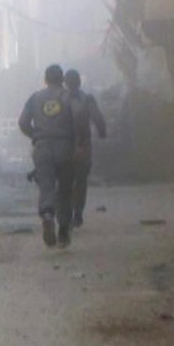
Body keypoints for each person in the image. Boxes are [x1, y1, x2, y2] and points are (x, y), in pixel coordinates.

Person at [19, 63, 81, 247]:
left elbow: (23, 122)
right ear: (62, 80)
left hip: (42, 147)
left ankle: (47, 215)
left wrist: (36, 136)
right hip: (65, 146)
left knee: (46, 184)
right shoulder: (69, 96)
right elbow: (79, 120)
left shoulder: (35, 98)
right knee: (65, 188)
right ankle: (63, 231)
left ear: (45, 80)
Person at [64, 68, 108, 228]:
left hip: (64, 147)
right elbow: (97, 118)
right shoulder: (87, 99)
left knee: (65, 181)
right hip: (83, 147)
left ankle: (65, 214)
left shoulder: (60, 99)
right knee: (81, 181)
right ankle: (77, 214)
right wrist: (102, 133)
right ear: (79, 82)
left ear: (65, 83)